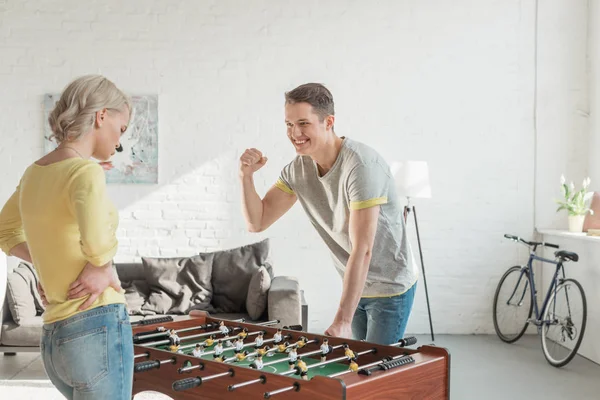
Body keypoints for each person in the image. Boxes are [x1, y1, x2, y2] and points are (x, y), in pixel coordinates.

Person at [239, 83, 418, 346]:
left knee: (374, 371)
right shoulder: (298, 170)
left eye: (303, 123)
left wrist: (342, 320)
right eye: (289, 124)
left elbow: (363, 249)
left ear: (328, 122)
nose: (294, 133)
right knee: (357, 366)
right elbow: (257, 221)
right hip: (354, 285)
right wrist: (245, 176)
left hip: (390, 287)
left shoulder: (362, 167)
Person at [0, 75, 133, 399]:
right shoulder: (84, 171)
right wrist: (106, 267)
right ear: (101, 116)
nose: (118, 142)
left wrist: (50, 263)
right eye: (121, 128)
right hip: (97, 325)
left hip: (55, 336)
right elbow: (98, 247)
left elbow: (5, 231)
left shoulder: (35, 172)